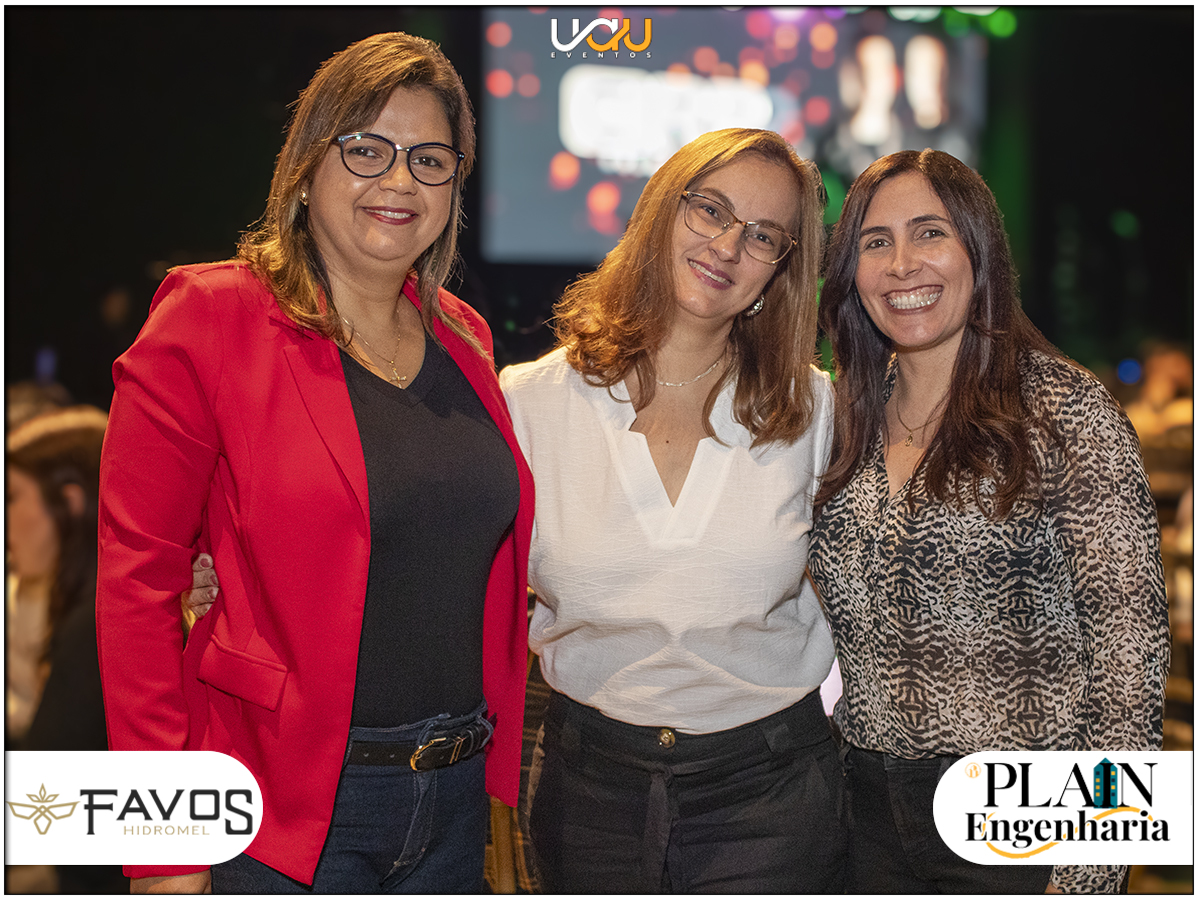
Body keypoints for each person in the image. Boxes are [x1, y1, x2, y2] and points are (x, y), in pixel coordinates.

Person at [96, 32, 534, 894]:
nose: (399, 180)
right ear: (305, 167)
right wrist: (160, 847)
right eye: (366, 148)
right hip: (277, 810)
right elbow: (134, 584)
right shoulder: (210, 316)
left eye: (430, 159)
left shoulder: (467, 338)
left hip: (453, 805)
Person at [808, 148, 1170, 893]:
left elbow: (1130, 665)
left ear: (979, 250)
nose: (902, 264)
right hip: (861, 816)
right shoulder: (845, 414)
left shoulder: (1066, 410)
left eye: (929, 233)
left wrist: (1091, 872)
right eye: (876, 242)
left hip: (1021, 820)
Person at [498, 129, 846, 892]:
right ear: (661, 210)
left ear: (779, 272)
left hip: (771, 792)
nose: (728, 245)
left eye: (763, 236)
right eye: (710, 210)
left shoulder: (818, 413)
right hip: (588, 790)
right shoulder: (529, 403)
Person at [7, 405, 128, 893]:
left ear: (70, 501)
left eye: (11, 498)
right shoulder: (97, 604)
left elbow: (39, 797)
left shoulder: (94, 622)